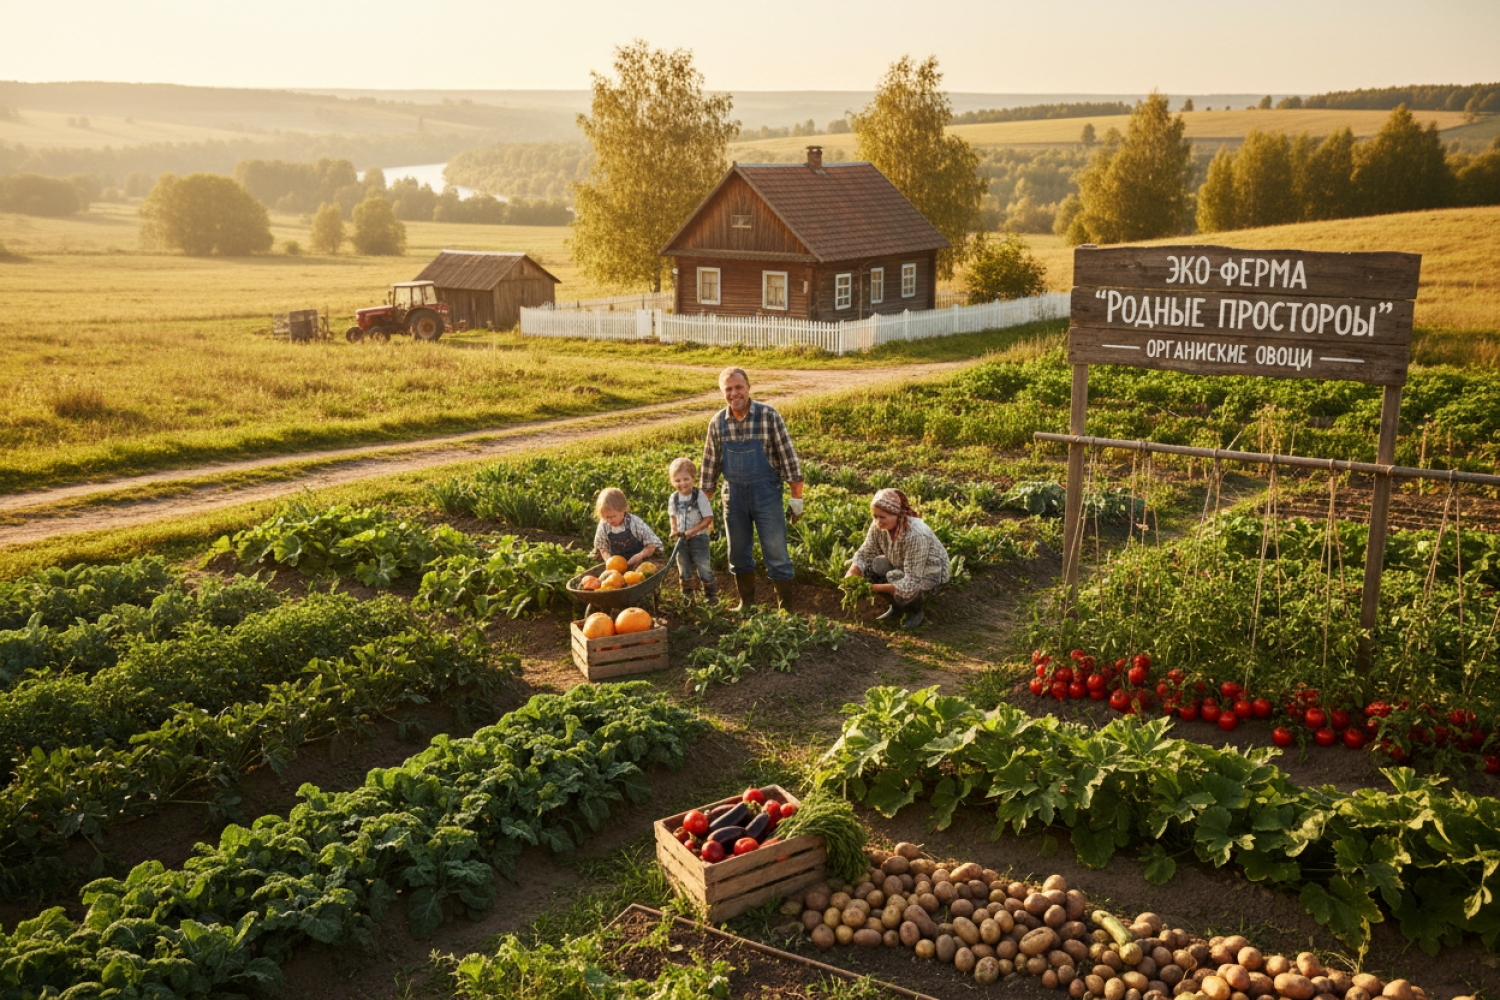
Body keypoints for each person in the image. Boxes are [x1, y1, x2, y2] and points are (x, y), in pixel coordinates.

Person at [700, 366, 803, 612]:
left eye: (738, 387)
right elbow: (709, 469)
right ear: (722, 392)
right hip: (733, 498)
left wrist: (796, 498)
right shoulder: (717, 423)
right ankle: (746, 605)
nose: (734, 393)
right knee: (737, 554)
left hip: (766, 495)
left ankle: (786, 610)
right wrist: (703, 508)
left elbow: (788, 459)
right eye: (728, 389)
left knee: (776, 552)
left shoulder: (769, 416)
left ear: (748, 388)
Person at [844, 488, 949, 628]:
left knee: (896, 577)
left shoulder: (916, 534)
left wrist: (873, 588)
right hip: (903, 563)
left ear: (896, 515)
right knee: (872, 566)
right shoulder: (878, 526)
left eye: (882, 517)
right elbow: (865, 553)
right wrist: (853, 570)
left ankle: (914, 612)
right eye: (875, 516)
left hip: (928, 574)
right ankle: (896, 607)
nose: (878, 521)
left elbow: (912, 581)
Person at [667, 456, 718, 602]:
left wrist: (692, 531)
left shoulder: (699, 496)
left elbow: (708, 518)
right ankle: (688, 597)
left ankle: (711, 597)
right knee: (684, 566)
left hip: (699, 538)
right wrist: (674, 529)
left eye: (686, 479)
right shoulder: (673, 498)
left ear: (693, 478)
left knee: (703, 565)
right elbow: (673, 516)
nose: (682, 483)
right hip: (681, 539)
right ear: (672, 482)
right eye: (677, 480)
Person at [592, 487, 661, 568]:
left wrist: (641, 555)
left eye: (613, 516)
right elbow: (602, 548)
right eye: (607, 517)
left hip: (639, 562)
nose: (610, 520)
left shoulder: (634, 523)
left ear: (624, 510)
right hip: (617, 565)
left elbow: (652, 544)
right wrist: (610, 562)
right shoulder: (604, 525)